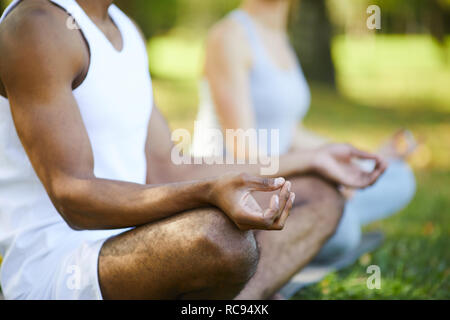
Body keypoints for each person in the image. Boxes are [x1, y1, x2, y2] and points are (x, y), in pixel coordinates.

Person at [0, 0, 386, 300]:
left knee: (320, 196)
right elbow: (75, 198)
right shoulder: (38, 25)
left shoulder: (125, 30)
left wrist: (311, 159)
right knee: (221, 239)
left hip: (136, 241)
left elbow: (168, 166)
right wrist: (206, 194)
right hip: (59, 269)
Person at [192, 0, 416, 262]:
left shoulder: (279, 35)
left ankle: (317, 230)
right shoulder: (228, 35)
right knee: (342, 231)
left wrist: (361, 157)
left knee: (399, 176)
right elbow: (244, 154)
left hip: (283, 173)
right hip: (243, 189)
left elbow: (291, 132)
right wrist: (319, 172)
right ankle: (320, 228)